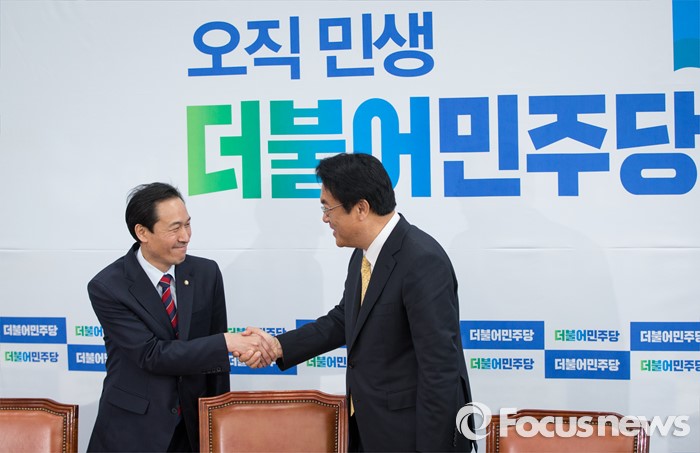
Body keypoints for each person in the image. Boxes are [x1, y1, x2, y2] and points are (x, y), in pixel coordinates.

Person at [247, 153, 476, 452]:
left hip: (412, 436)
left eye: (328, 207)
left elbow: (440, 370)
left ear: (361, 208)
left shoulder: (421, 260)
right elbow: (345, 319)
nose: (325, 218)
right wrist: (279, 346)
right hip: (371, 427)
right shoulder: (363, 254)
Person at [87, 182, 271, 452]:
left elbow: (216, 364)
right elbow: (151, 354)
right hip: (133, 430)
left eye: (188, 224)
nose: (185, 236)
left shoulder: (206, 273)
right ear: (142, 232)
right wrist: (227, 342)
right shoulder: (109, 286)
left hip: (192, 427)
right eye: (174, 228)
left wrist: (219, 416)